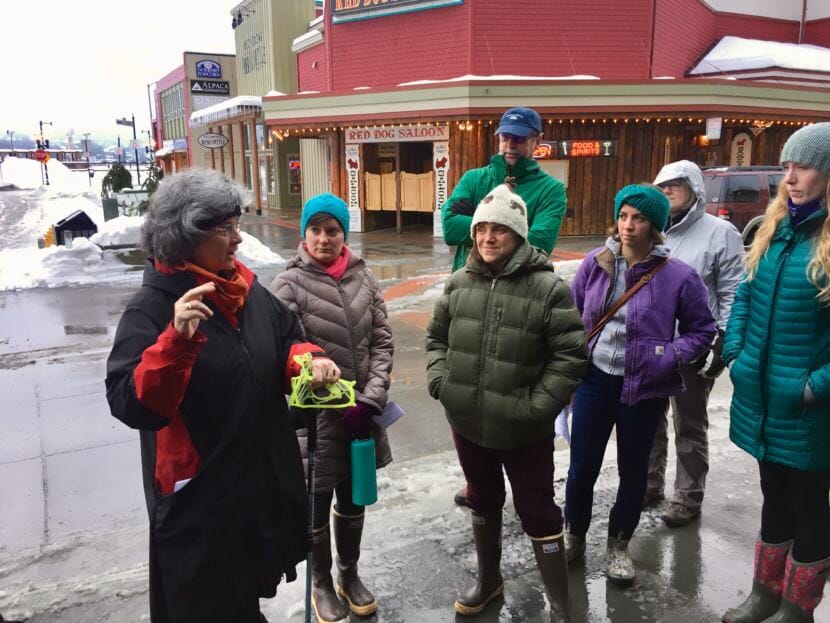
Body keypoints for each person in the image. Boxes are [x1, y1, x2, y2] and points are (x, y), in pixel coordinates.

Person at [105, 168, 341, 622]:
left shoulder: (242, 289)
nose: (238, 239)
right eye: (225, 229)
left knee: (243, 595)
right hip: (202, 503)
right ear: (185, 235)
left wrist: (307, 362)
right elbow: (132, 404)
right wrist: (175, 341)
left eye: (238, 225)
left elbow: (286, 336)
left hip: (255, 484)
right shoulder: (152, 309)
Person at [426, 184, 588, 621]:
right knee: (482, 499)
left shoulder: (548, 288)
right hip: (468, 424)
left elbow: (571, 356)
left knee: (538, 510)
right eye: (482, 228)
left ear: (518, 235)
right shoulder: (459, 282)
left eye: (499, 229)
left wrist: (537, 407)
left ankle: (560, 605)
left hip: (523, 429)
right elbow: (436, 338)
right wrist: (442, 382)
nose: (487, 238)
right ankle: (489, 579)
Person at [564, 184, 716, 586]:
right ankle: (573, 535)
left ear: (655, 226)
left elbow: (703, 330)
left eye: (640, 218)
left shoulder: (678, 276)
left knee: (633, 473)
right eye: (624, 215)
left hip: (645, 388)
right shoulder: (594, 265)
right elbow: (572, 319)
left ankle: (618, 546)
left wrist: (670, 354)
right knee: (582, 468)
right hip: (595, 383)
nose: (628, 226)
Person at [722, 122, 830, 623]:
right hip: (763, 400)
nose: (790, 177)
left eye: (802, 166)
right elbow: (745, 293)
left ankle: (797, 606)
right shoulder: (774, 227)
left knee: (810, 507)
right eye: (786, 166)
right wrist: (736, 353)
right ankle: (765, 594)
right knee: (774, 497)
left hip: (809, 412)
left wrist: (812, 388)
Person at [270, 193, 394, 623]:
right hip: (315, 422)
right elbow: (282, 353)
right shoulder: (287, 285)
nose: (324, 239)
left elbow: (382, 341)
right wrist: (318, 393)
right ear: (304, 234)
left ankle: (349, 574)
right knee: (317, 503)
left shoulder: (364, 278)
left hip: (360, 416)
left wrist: (371, 397)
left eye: (333, 230)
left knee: (354, 497)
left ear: (345, 234)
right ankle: (322, 583)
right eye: (316, 230)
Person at [442, 106, 568, 506]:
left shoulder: (551, 190)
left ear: (536, 142)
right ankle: (478, 480)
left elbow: (540, 242)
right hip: (469, 293)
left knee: (508, 383)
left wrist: (479, 226)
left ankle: (525, 485)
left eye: (519, 138)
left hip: (522, 300)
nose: (510, 144)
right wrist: (506, 228)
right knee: (468, 384)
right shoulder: (475, 178)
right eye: (505, 137)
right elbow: (448, 227)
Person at [644, 160, 744, 527]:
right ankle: (649, 483)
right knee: (650, 419)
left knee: (689, 423)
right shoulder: (651, 229)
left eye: (677, 184)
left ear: (695, 188)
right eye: (663, 185)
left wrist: (723, 341)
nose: (668, 190)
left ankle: (687, 497)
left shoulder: (721, 232)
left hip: (695, 342)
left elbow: (734, 290)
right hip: (653, 343)